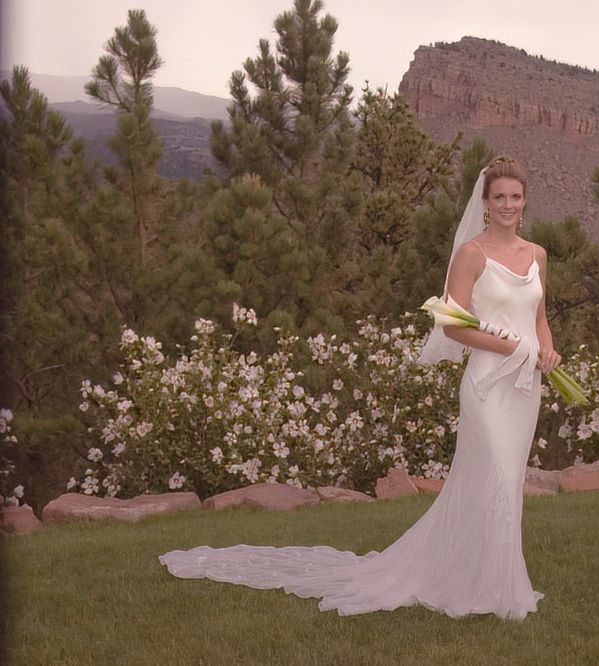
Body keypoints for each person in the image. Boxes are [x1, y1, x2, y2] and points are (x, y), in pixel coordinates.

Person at [159, 156, 560, 620]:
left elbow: (540, 318)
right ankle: (483, 586)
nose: (508, 204)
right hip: (489, 384)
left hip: (524, 386)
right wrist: (508, 345)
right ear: (486, 203)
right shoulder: (471, 254)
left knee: (506, 484)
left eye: (515, 196)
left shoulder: (537, 255)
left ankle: (496, 582)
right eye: (499, 197)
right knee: (489, 474)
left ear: (524, 201)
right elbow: (452, 325)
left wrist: (546, 352)